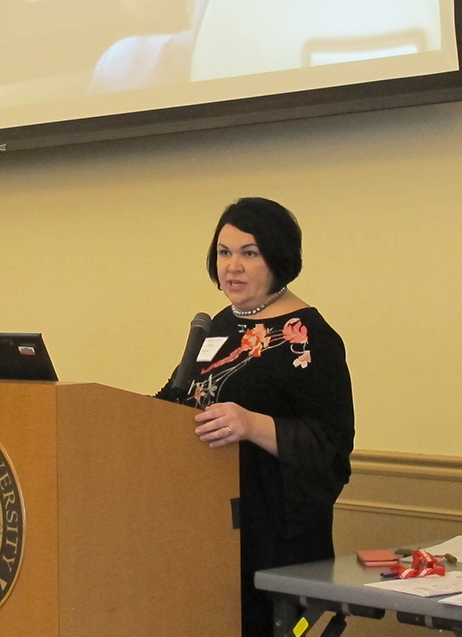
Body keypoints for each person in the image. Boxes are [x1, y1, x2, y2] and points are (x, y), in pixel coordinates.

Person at [155, 197, 355, 637]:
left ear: (278, 258)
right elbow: (177, 400)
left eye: (250, 253)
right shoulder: (219, 326)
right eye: (224, 253)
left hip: (271, 541)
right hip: (204, 530)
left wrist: (252, 424)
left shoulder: (310, 338)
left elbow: (331, 448)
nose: (233, 267)